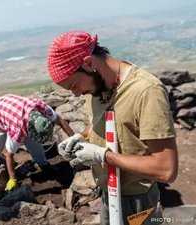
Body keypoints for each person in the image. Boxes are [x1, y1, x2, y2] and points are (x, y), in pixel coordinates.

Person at [46, 31, 179, 225]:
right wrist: (82, 137)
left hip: (136, 200)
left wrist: (103, 156)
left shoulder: (146, 92)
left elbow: (166, 169)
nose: (76, 94)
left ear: (89, 63)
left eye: (74, 85)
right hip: (108, 190)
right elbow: (104, 121)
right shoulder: (99, 86)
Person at [0, 94, 75, 194]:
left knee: (35, 144)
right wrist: (13, 179)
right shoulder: (18, 129)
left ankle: (44, 165)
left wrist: (76, 140)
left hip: (13, 111)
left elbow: (62, 122)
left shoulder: (41, 107)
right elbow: (9, 155)